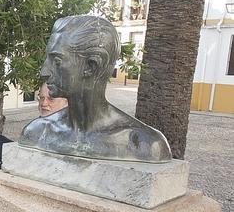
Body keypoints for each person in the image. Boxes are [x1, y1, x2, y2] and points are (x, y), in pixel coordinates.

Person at [19, 15, 171, 162]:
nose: (44, 72)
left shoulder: (143, 144)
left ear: (91, 66)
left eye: (56, 61)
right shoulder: (38, 132)